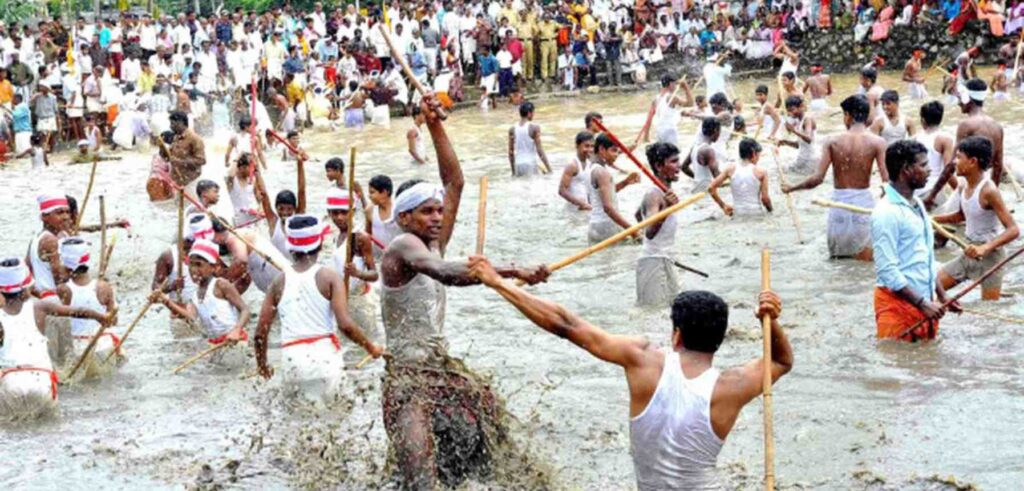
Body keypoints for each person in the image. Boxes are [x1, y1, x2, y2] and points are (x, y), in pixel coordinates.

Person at [467, 257, 792, 490]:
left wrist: (497, 282)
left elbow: (567, 325)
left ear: (675, 334)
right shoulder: (731, 386)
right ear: (720, 339)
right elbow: (781, 362)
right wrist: (770, 320)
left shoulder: (642, 360)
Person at [377, 95, 549, 489]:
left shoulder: (433, 239)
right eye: (427, 212)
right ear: (405, 217)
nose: (437, 218)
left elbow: (455, 182)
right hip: (406, 380)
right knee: (421, 479)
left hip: (441, 370)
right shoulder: (402, 247)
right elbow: (443, 272)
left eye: (439, 211)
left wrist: (435, 125)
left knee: (494, 442)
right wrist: (508, 271)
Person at [254, 213, 382, 402]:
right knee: (336, 419)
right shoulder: (330, 277)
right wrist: (370, 347)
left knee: (295, 422)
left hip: (292, 362)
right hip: (325, 361)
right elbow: (345, 325)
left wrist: (262, 365)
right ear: (320, 244)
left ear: (291, 248)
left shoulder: (278, 282)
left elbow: (260, 333)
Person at [871, 139, 959, 341]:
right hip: (897, 307)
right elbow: (887, 270)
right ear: (906, 170)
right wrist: (922, 303)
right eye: (923, 165)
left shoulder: (916, 202)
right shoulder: (886, 212)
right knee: (896, 367)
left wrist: (941, 294)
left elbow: (925, 257)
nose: (929, 170)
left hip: (923, 303)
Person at [0, 257, 113, 410]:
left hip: (11, 380)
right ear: (25, 289)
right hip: (41, 379)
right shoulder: (39, 307)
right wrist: (100, 317)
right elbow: (77, 312)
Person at [785, 95, 888, 261]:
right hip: (864, 205)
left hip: (838, 205)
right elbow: (887, 182)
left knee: (838, 260)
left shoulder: (832, 141)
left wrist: (792, 187)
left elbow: (817, 179)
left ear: (848, 115)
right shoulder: (878, 142)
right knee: (865, 262)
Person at [935, 136, 1019, 300]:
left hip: (990, 258)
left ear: (973, 161)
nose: (954, 162)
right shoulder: (963, 185)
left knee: (989, 308)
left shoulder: (989, 190)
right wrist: (931, 218)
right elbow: (960, 216)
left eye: (959, 157)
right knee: (932, 286)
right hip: (968, 251)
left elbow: (1013, 229)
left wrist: (985, 248)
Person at [152, 239, 250, 356]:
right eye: (191, 264)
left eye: (199, 265)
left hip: (235, 341)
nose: (193, 269)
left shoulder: (220, 284)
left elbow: (245, 310)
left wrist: (237, 330)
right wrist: (165, 300)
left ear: (215, 268)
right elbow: (190, 317)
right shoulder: (195, 295)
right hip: (215, 344)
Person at [924, 79, 1006, 208]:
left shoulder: (966, 125)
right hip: (987, 183)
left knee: (944, 217)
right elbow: (998, 166)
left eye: (961, 98)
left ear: (968, 99)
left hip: (971, 184)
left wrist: (932, 195)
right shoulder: (997, 126)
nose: (958, 102)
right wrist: (993, 194)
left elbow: (952, 164)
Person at [55, 237, 121, 378]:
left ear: (67, 266)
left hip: (79, 348)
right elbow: (113, 321)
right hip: (105, 345)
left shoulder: (63, 290)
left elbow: (59, 326)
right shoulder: (104, 286)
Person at [325, 187, 379, 342]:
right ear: (329, 214)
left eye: (344, 212)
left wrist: (358, 273)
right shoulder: (336, 236)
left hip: (360, 301)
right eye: (335, 213)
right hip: (343, 300)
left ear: (353, 212)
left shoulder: (360, 238)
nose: (340, 217)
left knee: (366, 344)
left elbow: (374, 275)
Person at [27, 192, 73, 365]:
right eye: (59, 213)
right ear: (45, 217)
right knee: (63, 359)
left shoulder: (36, 238)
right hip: (55, 303)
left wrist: (39, 294)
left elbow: (27, 272)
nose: (66, 217)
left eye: (67, 212)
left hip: (43, 301)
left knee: (51, 356)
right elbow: (60, 278)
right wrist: (74, 262)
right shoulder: (51, 240)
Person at [635, 142, 683, 306]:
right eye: (673, 162)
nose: (679, 166)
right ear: (658, 166)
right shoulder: (654, 194)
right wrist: (668, 208)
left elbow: (638, 214)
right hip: (653, 262)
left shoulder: (663, 192)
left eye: (678, 160)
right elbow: (649, 231)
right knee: (654, 314)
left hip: (665, 257)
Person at [588, 133, 641, 242]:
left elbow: (604, 195)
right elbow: (608, 207)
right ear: (602, 149)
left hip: (595, 226)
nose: (616, 155)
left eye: (618, 151)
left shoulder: (593, 167)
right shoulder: (602, 172)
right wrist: (633, 230)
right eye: (613, 150)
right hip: (606, 226)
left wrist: (625, 182)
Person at [709, 138, 773, 217]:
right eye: (758, 154)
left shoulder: (730, 169)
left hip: (738, 213)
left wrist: (723, 206)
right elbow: (765, 199)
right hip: (756, 214)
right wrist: (771, 212)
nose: (759, 158)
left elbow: (711, 188)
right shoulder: (762, 172)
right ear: (753, 153)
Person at [914, 101, 957, 207]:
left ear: (922, 120)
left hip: (916, 191)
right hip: (933, 191)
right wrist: (960, 191)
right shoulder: (945, 139)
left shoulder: (915, 138)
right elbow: (949, 171)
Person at [161, 110, 206, 198]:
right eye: (170, 124)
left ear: (181, 123)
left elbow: (202, 160)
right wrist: (162, 149)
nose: (171, 127)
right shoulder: (176, 138)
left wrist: (180, 162)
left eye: (173, 124)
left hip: (190, 182)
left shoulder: (195, 139)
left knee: (188, 208)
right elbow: (168, 158)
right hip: (177, 182)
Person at [507, 102, 551, 176]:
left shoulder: (512, 129)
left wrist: (513, 172)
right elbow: (540, 151)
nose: (534, 114)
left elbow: (511, 152)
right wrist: (549, 169)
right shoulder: (534, 128)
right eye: (533, 112)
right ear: (529, 113)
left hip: (518, 164)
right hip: (530, 163)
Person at [681, 117, 723, 193]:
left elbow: (684, 167)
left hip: (695, 189)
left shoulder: (695, 147)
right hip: (706, 192)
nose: (720, 134)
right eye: (720, 131)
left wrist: (697, 179)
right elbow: (717, 177)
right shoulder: (708, 150)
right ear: (715, 130)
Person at [779, 95, 818, 174]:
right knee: (783, 171)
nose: (790, 113)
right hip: (803, 157)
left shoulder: (807, 119)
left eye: (792, 110)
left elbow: (808, 139)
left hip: (811, 159)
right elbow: (799, 145)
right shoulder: (798, 121)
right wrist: (785, 142)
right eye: (788, 111)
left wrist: (793, 130)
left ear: (801, 106)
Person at [558, 131, 594, 211]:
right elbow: (562, 191)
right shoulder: (572, 165)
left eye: (592, 146)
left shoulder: (589, 163)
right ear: (577, 146)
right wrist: (581, 204)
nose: (590, 149)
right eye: (586, 146)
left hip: (585, 208)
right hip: (573, 210)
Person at [225, 153, 261, 227]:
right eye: (251, 167)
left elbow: (260, 199)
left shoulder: (253, 180)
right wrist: (238, 157)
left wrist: (259, 210)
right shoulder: (232, 180)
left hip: (253, 216)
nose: (253, 170)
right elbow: (230, 175)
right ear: (242, 167)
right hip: (238, 218)